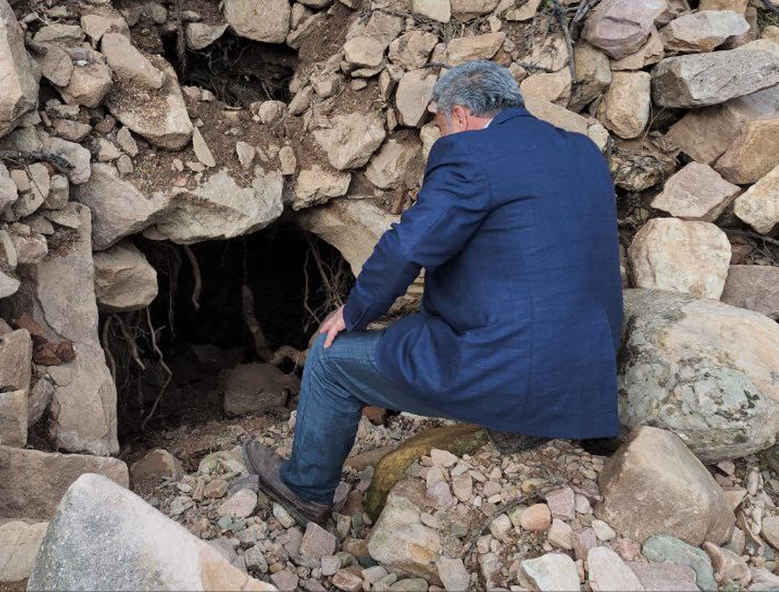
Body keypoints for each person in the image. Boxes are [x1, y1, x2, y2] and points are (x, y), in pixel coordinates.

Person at [243, 60, 623, 525]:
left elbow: (409, 246)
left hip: (511, 367)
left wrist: (355, 310)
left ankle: (304, 490)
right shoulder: (581, 151)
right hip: (588, 372)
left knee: (329, 359)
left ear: (460, 116)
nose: (442, 137)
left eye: (441, 125)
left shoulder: (473, 154)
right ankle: (571, 425)